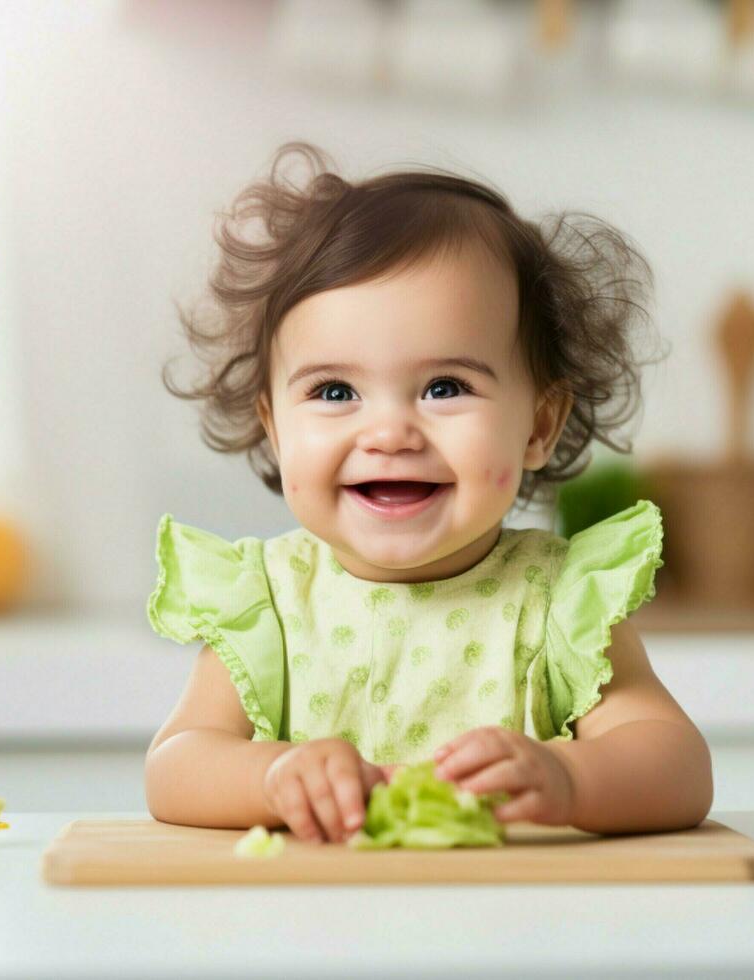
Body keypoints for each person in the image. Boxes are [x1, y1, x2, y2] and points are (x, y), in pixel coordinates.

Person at [142, 142, 711, 845]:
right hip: (308, 941)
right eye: (333, 391)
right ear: (274, 427)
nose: (387, 432)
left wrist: (570, 779)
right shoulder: (267, 602)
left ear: (537, 425)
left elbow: (676, 764)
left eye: (444, 387)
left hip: (513, 942)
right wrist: (273, 775)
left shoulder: (555, 601)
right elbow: (174, 767)